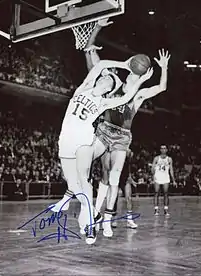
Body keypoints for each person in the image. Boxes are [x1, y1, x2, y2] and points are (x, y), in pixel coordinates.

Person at [51, 54, 153, 245]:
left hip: (83, 141)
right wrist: (123, 64)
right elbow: (102, 64)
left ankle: (90, 224)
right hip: (65, 142)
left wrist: (142, 79)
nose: (108, 80)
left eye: (111, 83)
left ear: (109, 90)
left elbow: (128, 96)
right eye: (107, 78)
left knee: (85, 180)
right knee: (75, 185)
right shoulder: (84, 88)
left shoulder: (103, 103)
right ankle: (94, 215)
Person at [83, 19, 172, 237]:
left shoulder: (139, 95)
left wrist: (164, 68)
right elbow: (91, 56)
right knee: (103, 175)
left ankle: (107, 219)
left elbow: (162, 87)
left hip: (122, 137)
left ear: (141, 75)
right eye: (134, 70)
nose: (135, 73)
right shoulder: (113, 84)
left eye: (139, 73)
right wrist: (97, 29)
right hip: (104, 130)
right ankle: (95, 211)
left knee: (114, 177)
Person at [152, 145, 177, 216]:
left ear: (166, 150)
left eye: (164, 148)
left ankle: (166, 209)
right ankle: (156, 209)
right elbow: (153, 168)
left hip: (166, 177)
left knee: (166, 193)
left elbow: (171, 169)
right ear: (160, 150)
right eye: (162, 148)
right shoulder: (156, 158)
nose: (163, 150)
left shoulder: (169, 159)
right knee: (156, 193)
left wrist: (174, 180)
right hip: (157, 177)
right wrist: (153, 176)